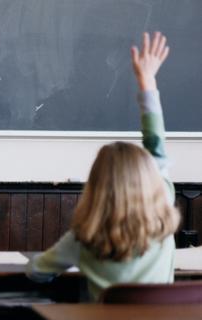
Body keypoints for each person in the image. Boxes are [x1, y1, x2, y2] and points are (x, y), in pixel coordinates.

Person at [26, 32, 180, 302]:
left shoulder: (84, 240)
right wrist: (147, 81)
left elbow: (36, 272)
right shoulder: (163, 214)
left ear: (96, 186)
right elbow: (156, 143)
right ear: (150, 181)